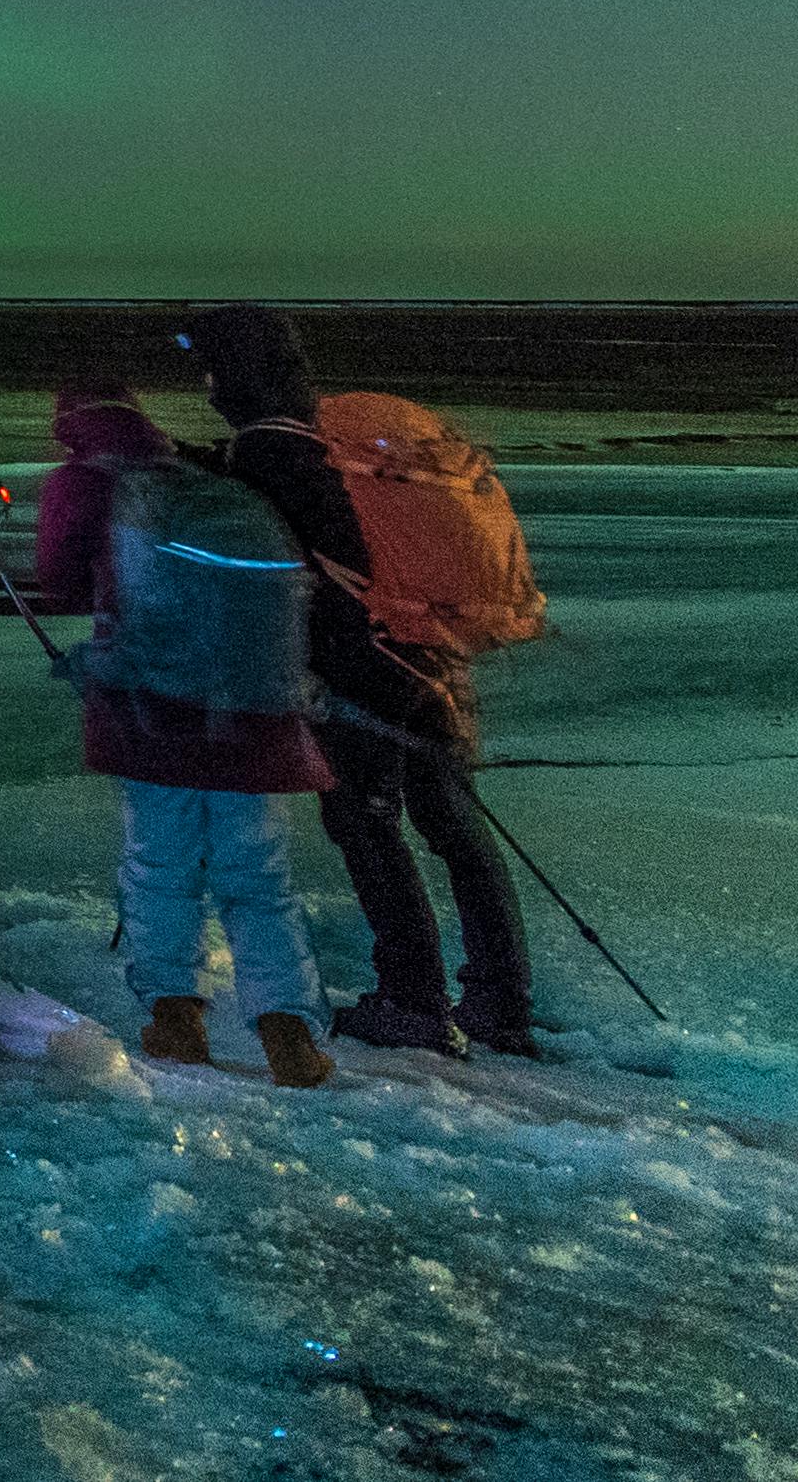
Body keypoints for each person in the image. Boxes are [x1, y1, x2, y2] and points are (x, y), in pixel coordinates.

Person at [185, 300, 535, 1059]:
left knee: (367, 825)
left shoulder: (266, 453)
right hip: (432, 650)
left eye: (209, 363)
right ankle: (501, 1000)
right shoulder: (329, 437)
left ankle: (413, 999)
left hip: (359, 671)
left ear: (231, 372)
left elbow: (273, 561)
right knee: (453, 822)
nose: (205, 380)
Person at [33, 381, 334, 1088]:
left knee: (160, 865)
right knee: (258, 877)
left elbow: (60, 586)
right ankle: (289, 1032)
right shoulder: (201, 480)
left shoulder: (88, 485)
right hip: (255, 719)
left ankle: (175, 1019)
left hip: (155, 712)